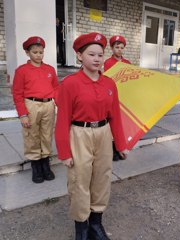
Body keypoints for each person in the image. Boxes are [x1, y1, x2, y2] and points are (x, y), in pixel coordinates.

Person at [55, 32, 128, 240]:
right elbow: (62, 120)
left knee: (102, 178)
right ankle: (82, 227)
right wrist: (64, 152)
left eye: (100, 54)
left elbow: (115, 116)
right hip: (80, 134)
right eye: (91, 54)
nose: (97, 59)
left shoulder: (109, 84)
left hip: (103, 133)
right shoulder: (70, 84)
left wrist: (121, 144)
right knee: (80, 180)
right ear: (79, 56)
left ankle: (96, 223)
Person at [12, 36, 58, 183]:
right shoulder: (22, 71)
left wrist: (60, 105)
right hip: (31, 105)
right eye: (35, 52)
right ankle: (36, 165)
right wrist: (23, 114)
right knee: (31, 135)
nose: (38, 55)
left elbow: (56, 88)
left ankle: (45, 162)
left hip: (48, 105)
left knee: (46, 133)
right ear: (27, 53)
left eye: (41, 52)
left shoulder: (50, 69)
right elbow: (17, 93)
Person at [104, 35, 131, 161]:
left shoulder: (127, 63)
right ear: (112, 48)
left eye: (121, 47)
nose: (119, 50)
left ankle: (120, 146)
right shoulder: (108, 63)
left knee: (121, 122)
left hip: (124, 96)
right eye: (117, 47)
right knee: (112, 123)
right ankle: (112, 149)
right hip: (112, 96)